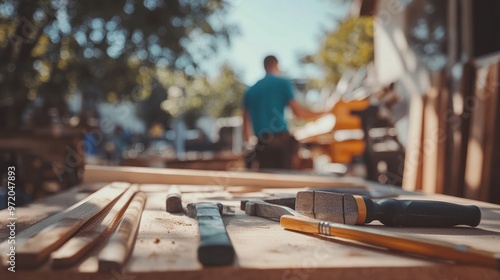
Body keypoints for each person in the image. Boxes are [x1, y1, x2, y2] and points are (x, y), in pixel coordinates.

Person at [243, 55, 327, 170]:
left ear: (264, 67)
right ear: (276, 65)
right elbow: (298, 113)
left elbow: (245, 121)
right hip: (281, 144)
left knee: (267, 180)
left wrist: (249, 142)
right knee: (284, 179)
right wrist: (323, 113)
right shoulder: (283, 83)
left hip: (261, 145)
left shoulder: (251, 90)